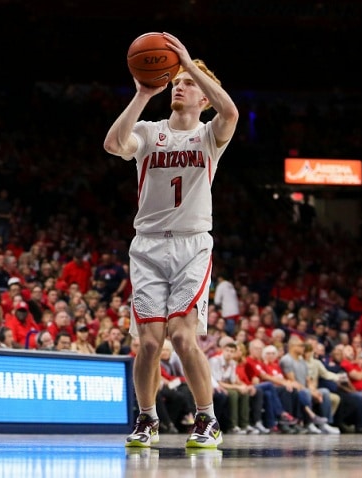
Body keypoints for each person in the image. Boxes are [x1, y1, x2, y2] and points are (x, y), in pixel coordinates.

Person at [104, 32, 238, 448]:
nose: (180, 84)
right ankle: (146, 419)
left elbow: (231, 110)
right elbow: (112, 144)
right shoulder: (147, 131)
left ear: (204, 97)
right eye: (176, 81)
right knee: (148, 344)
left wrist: (188, 62)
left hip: (192, 244)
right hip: (147, 246)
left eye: (189, 83)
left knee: (182, 337)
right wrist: (143, 93)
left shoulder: (210, 135)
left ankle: (207, 418)